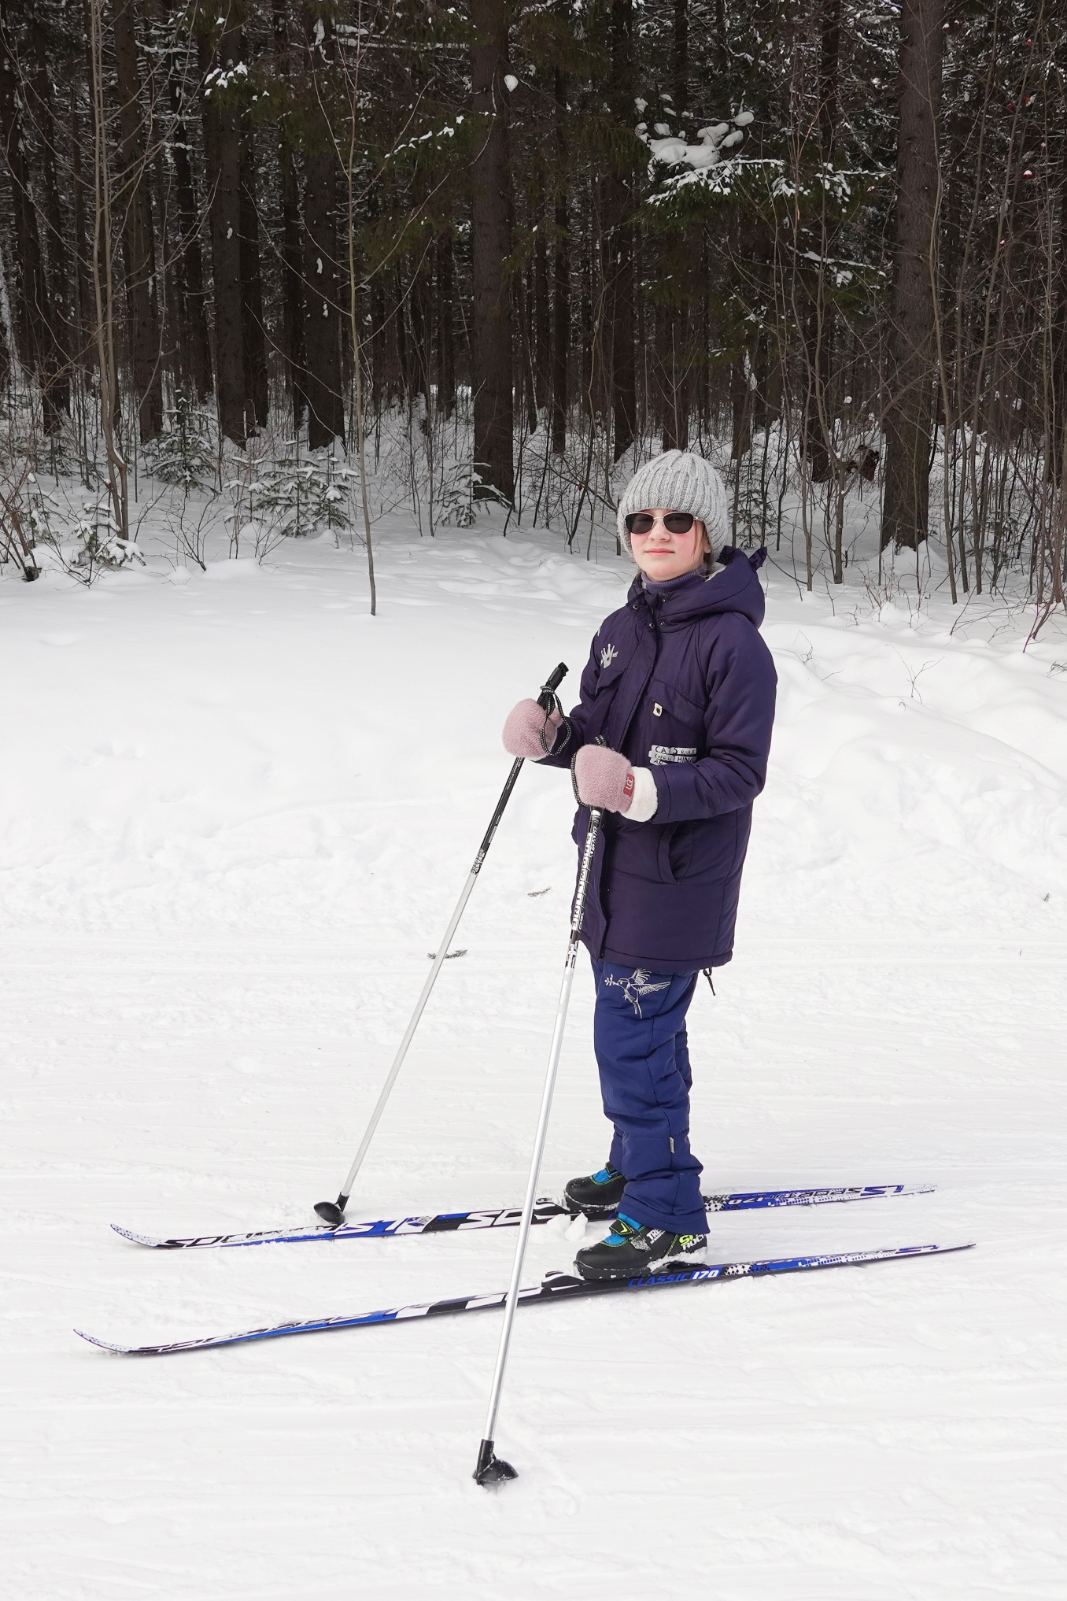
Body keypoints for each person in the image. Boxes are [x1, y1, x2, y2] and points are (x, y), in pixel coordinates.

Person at [501, 450, 777, 1281]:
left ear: (706, 534)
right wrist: (553, 737)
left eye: (675, 520)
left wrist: (637, 787)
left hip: (677, 883)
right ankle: (635, 1161)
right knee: (638, 1036)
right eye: (640, 520)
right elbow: (599, 734)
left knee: (633, 1046)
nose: (656, 533)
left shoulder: (734, 645)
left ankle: (666, 1217)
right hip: (607, 872)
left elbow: (737, 772)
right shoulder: (620, 629)